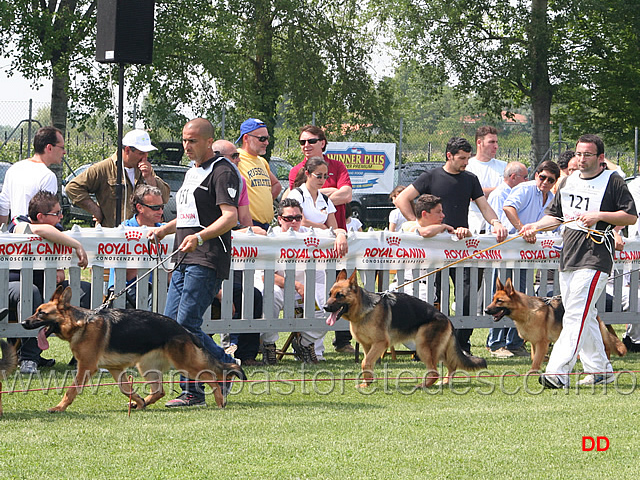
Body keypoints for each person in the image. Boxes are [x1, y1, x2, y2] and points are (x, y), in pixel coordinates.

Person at [521, 134, 637, 388]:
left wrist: (600, 215)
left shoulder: (613, 182)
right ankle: (600, 370)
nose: (582, 159)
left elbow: (630, 216)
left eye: (588, 154)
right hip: (569, 256)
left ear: (601, 158)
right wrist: (535, 226)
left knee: (575, 314)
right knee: (586, 314)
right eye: (579, 154)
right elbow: (556, 216)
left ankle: (557, 372)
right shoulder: (568, 182)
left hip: (596, 256)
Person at [148, 118, 244, 407]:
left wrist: (200, 238)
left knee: (186, 324)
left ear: (207, 142)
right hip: (183, 256)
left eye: (192, 141)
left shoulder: (223, 171)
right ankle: (193, 391)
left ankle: (225, 366)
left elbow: (231, 217)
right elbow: (191, 215)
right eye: (184, 140)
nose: (186, 146)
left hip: (207, 256)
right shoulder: (192, 172)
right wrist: (165, 229)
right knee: (172, 327)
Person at [395, 137, 508, 355]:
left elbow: (483, 206)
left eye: (468, 157)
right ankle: (432, 345)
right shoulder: (431, 176)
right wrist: (416, 224)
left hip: (460, 246)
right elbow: (402, 199)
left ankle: (461, 345)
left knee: (467, 296)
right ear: (449, 156)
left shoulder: (470, 179)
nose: (466, 162)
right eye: (462, 158)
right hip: (434, 247)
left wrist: (495, 222)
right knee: (433, 298)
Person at [289, 125, 354, 353]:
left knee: (333, 300)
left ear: (323, 142)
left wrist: (339, 232)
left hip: (326, 256)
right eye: (302, 142)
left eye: (311, 141)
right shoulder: (296, 188)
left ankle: (313, 344)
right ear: (306, 174)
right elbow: (299, 221)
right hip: (300, 258)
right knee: (317, 303)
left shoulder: (336, 168)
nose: (306, 145)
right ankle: (307, 345)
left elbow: (346, 197)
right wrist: (327, 228)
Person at [9, 191, 89, 374]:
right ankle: (29, 358)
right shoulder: (19, 224)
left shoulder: (58, 230)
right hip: (13, 284)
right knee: (32, 291)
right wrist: (77, 245)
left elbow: (58, 262)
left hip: (47, 285)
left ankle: (84, 355)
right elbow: (39, 230)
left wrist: (60, 268)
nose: (61, 217)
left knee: (86, 290)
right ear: (40, 216)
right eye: (57, 213)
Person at [260, 198, 338, 364]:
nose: (294, 222)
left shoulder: (310, 234)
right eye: (289, 218)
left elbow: (334, 231)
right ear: (280, 219)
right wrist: (295, 285)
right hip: (281, 287)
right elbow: (267, 275)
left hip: (309, 286)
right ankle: (269, 345)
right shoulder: (272, 236)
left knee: (329, 305)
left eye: (298, 217)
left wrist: (342, 235)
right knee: (269, 296)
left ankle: (304, 343)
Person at [65, 129, 170, 227]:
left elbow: (164, 197)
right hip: (113, 236)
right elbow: (72, 188)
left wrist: (149, 178)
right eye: (141, 153)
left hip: (141, 234)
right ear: (128, 150)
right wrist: (95, 210)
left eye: (147, 153)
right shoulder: (103, 168)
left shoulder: (145, 170)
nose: (145, 158)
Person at [483, 161, 529, 357]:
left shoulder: (521, 193)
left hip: (519, 253)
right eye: (524, 177)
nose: (527, 180)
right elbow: (498, 225)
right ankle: (496, 342)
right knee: (500, 297)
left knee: (517, 297)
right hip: (503, 253)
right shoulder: (499, 195)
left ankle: (514, 341)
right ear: (513, 177)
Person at [106, 185, 165, 308]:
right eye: (155, 208)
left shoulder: (164, 230)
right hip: (125, 290)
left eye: (162, 207)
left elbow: (170, 273)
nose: (161, 211)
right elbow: (128, 275)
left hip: (158, 288)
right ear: (140, 208)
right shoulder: (124, 230)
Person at [0, 126, 65, 225]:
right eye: (62, 148)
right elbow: (47, 216)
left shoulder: (14, 169)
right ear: (49, 148)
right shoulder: (47, 176)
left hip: (16, 234)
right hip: (36, 237)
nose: (64, 152)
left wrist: (4, 235)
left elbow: (3, 206)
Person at [235, 118, 281, 230]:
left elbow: (276, 185)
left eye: (267, 138)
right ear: (246, 138)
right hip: (247, 224)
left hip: (265, 225)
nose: (266, 143)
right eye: (262, 139)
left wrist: (263, 202)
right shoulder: (236, 158)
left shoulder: (262, 161)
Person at [466, 126, 507, 234]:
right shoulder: (468, 166)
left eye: (497, 142)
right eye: (491, 142)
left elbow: (510, 192)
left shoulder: (504, 166)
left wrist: (484, 191)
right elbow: (471, 196)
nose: (496, 146)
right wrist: (499, 189)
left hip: (501, 225)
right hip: (476, 225)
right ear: (479, 142)